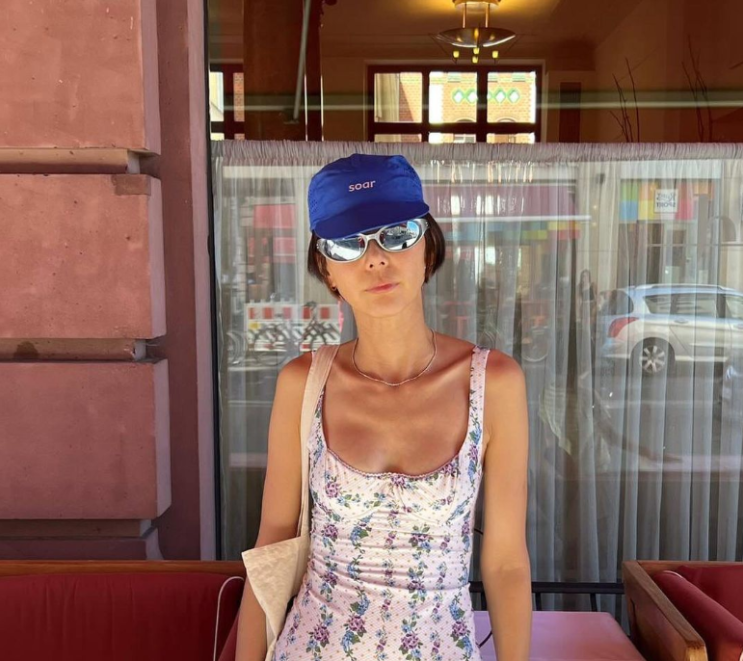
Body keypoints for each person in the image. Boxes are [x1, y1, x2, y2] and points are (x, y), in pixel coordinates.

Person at [240, 154, 531, 661]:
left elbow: (506, 562)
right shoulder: (303, 383)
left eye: (397, 234)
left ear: (428, 249)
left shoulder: (494, 383)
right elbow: (273, 545)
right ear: (327, 269)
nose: (375, 259)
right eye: (347, 243)